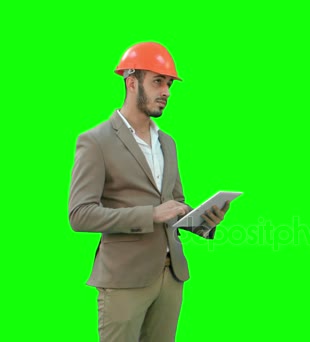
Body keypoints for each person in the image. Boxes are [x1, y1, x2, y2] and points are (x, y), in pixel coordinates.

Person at [68, 41, 230, 342]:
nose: (166, 91)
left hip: (171, 277)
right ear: (131, 82)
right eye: (158, 81)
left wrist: (205, 221)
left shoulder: (168, 142)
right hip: (124, 280)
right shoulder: (95, 141)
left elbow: (176, 205)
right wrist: (150, 214)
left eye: (169, 83)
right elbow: (79, 215)